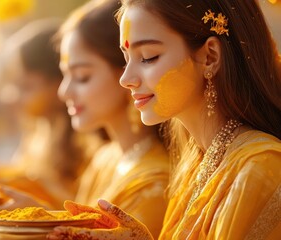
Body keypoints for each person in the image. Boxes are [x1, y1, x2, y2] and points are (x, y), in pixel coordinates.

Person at [47, 0, 281, 239]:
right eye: (126, 58)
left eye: (148, 57)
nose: (126, 79)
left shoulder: (259, 168)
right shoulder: (198, 163)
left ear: (209, 56)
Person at [53, 0, 169, 238]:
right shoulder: (106, 158)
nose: (64, 92)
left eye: (82, 77)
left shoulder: (154, 182)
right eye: (65, 76)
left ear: (126, 74)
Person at [0, 18, 99, 209]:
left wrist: (39, 188)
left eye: (26, 87)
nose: (12, 96)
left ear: (58, 82)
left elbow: (84, 213)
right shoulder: (38, 131)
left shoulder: (86, 141)